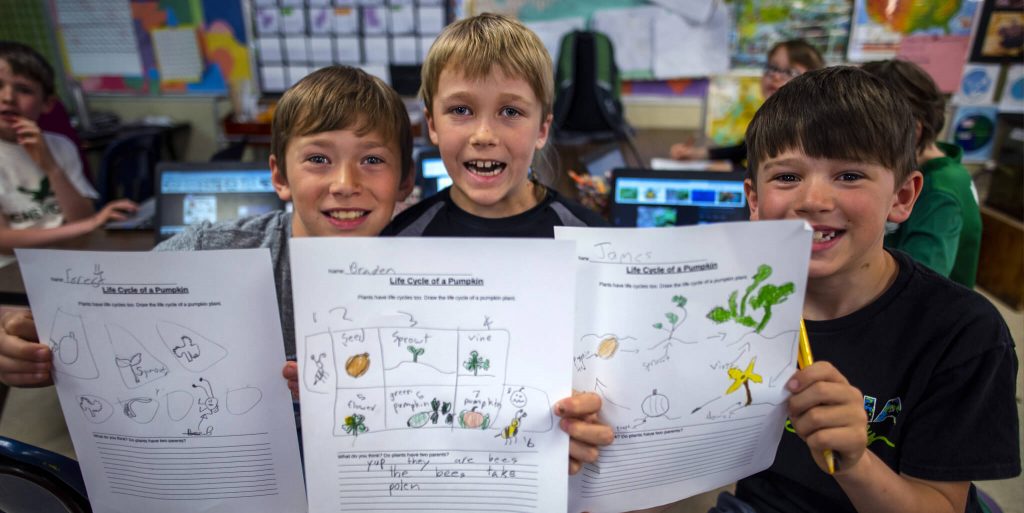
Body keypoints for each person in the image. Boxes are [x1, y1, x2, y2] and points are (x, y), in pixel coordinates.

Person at [0, 64, 609, 474]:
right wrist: (24, 335)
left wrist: (556, 430)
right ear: (279, 176)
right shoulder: (212, 252)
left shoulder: (442, 275)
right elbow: (94, 318)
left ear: (402, 184)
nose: (345, 184)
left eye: (371, 161)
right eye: (318, 158)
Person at [704, 66, 1018, 513]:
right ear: (754, 199)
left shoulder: (964, 332)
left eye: (849, 175)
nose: (813, 200)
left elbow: (942, 505)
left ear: (903, 197)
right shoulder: (728, 304)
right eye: (787, 177)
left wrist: (852, 461)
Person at [382, 13, 607, 237]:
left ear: (542, 130)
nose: (483, 135)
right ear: (432, 125)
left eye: (510, 111)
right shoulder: (404, 239)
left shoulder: (592, 242)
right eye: (461, 110)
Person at [0, 41, 135, 252]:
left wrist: (52, 168)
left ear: (47, 104)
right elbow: (3, 241)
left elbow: (80, 217)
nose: (7, 98)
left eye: (23, 90)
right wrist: (88, 225)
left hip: (68, 256)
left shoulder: (61, 145)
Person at [862, 59, 981, 288]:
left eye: (864, 131)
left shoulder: (940, 190)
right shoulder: (939, 163)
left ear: (912, 132)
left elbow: (920, 284)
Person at [669, 39, 825, 168]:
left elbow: (783, 175)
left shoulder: (809, 129)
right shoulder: (774, 119)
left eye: (790, 72)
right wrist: (700, 153)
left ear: (813, 82)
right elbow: (747, 149)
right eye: (772, 68)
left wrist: (734, 169)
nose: (776, 76)